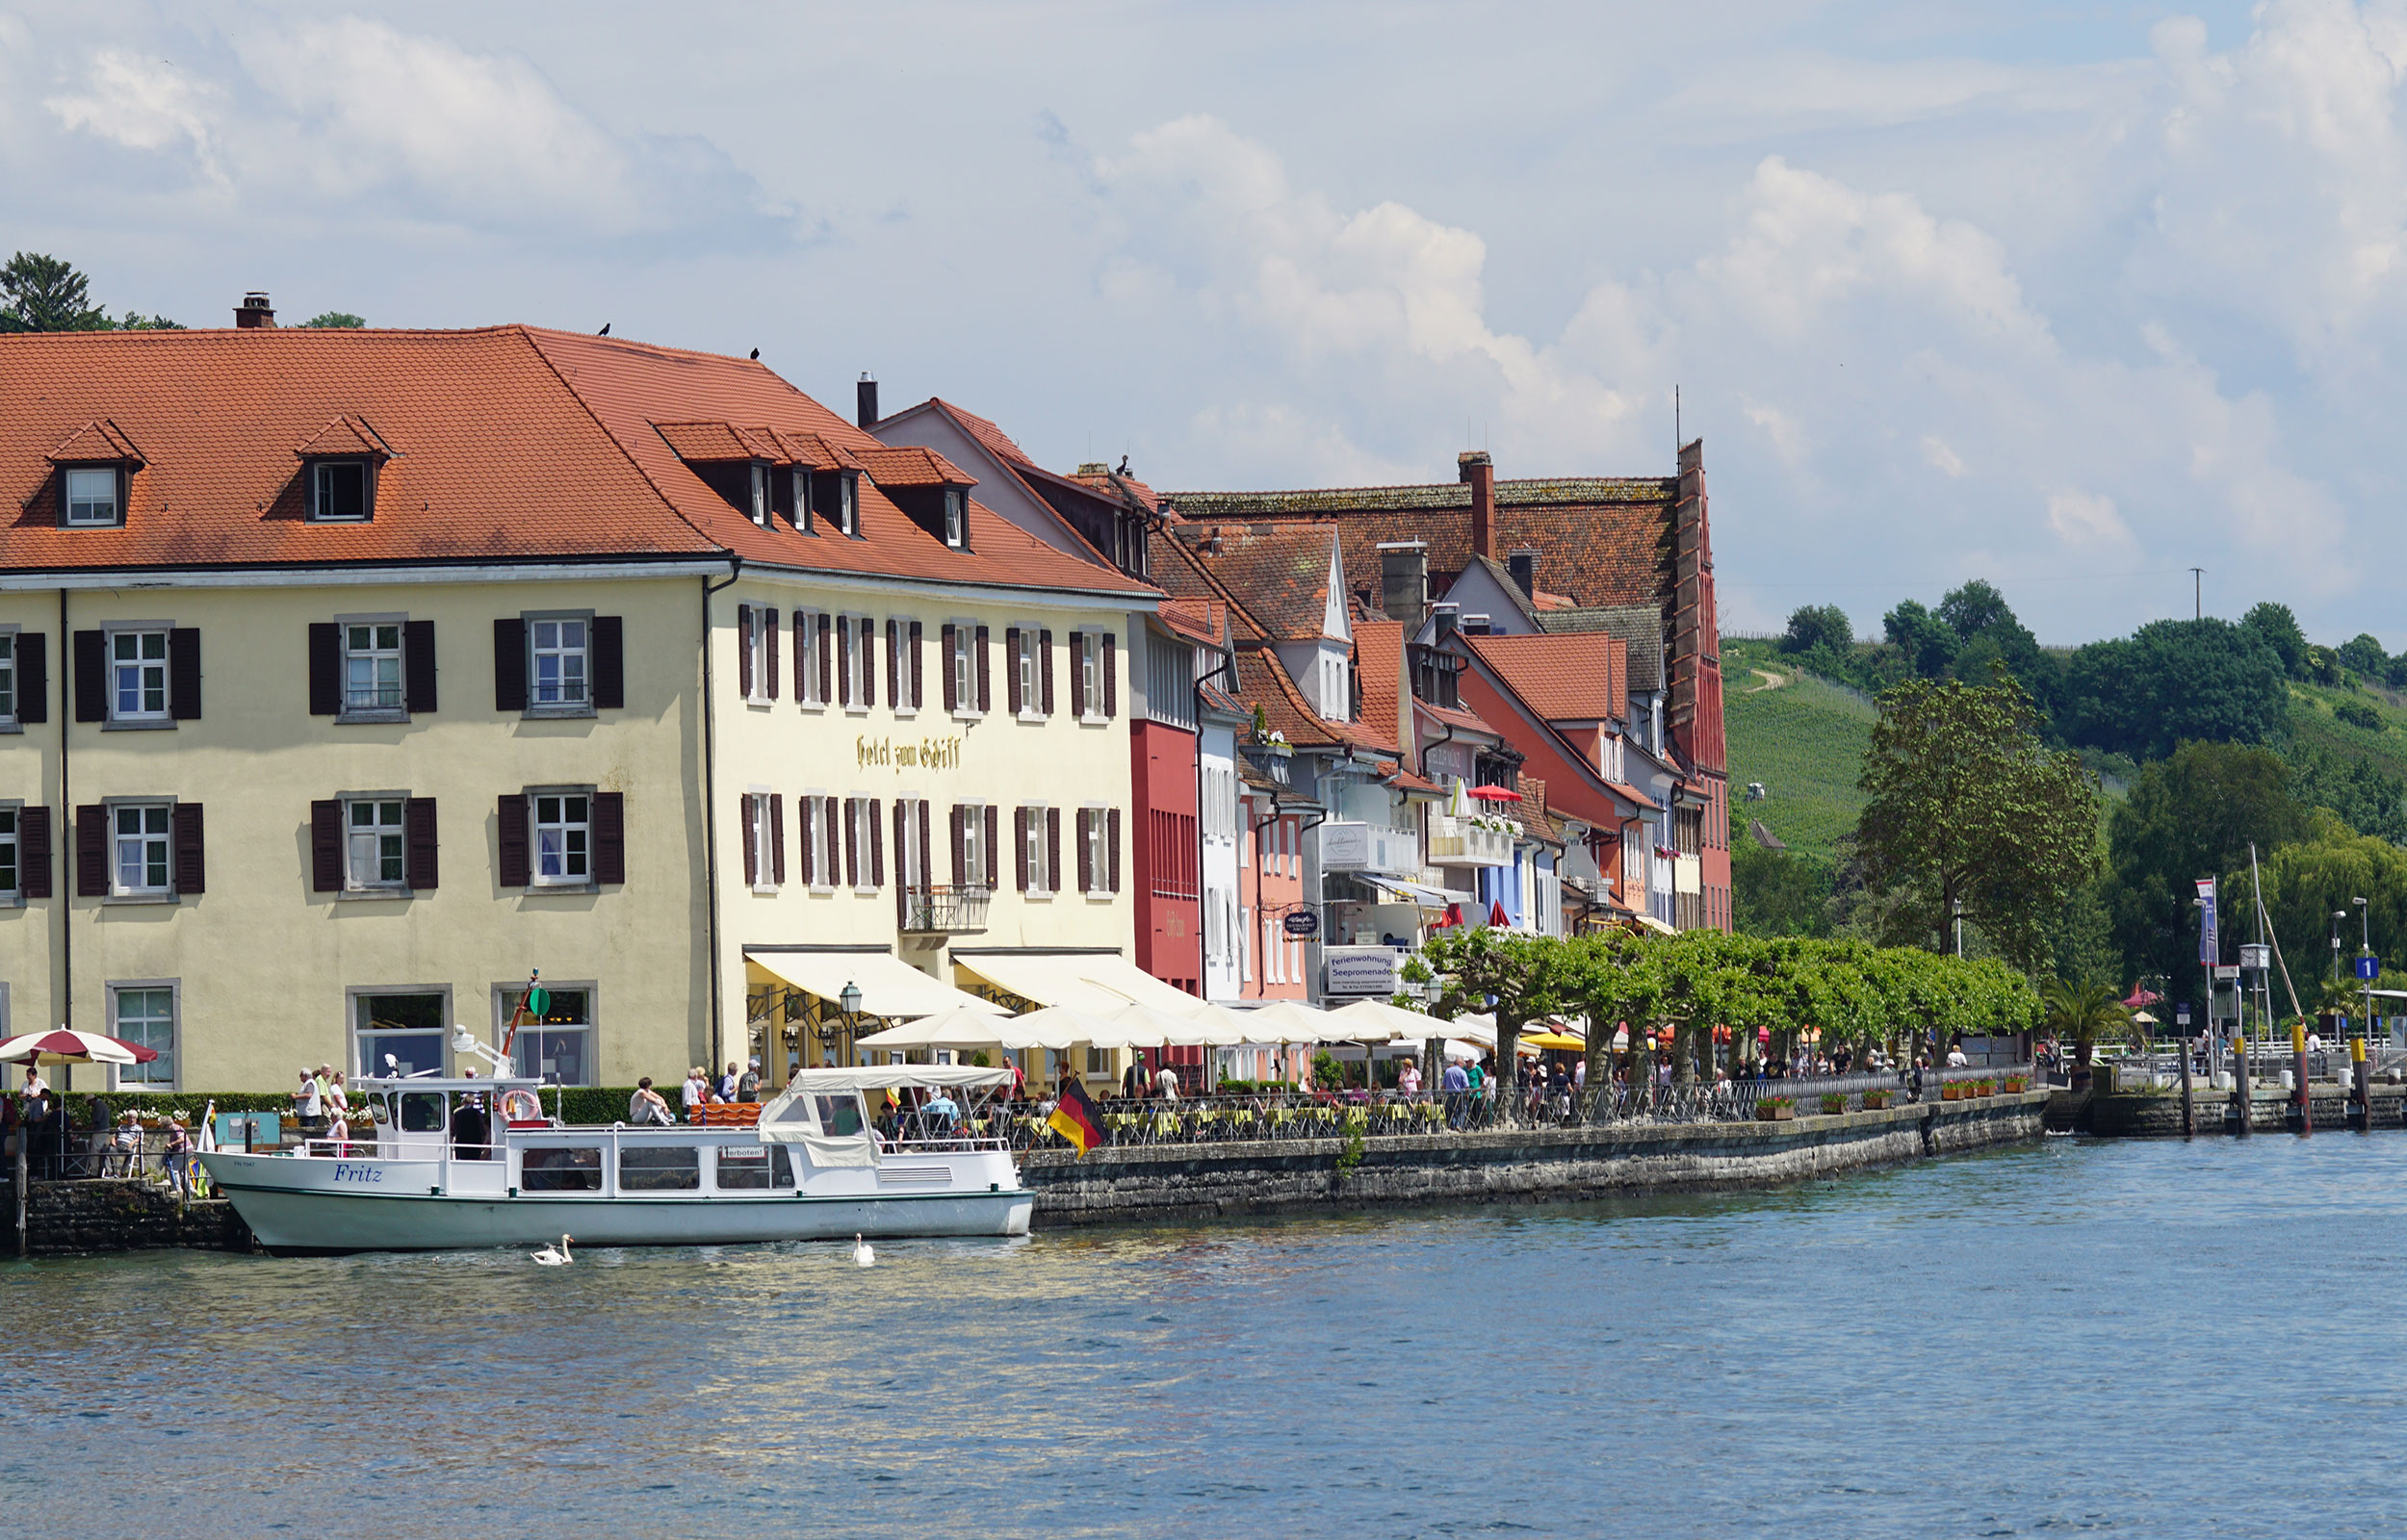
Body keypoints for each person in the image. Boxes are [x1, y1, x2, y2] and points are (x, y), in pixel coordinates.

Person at [295, 1066, 324, 1136]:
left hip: (310, 1113)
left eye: (301, 1075)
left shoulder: (310, 1083)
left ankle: (310, 1145)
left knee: (308, 1132)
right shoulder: (308, 1083)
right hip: (308, 1112)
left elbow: (309, 1094)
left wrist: (296, 1096)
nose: (299, 1077)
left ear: (306, 1076)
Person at [1441, 1058, 1469, 1127]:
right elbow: (1466, 1085)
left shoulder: (1447, 1071)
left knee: (1451, 1110)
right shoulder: (1462, 1072)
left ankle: (1452, 1125)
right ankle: (1459, 1125)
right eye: (1463, 1064)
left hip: (1449, 1094)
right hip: (1459, 1094)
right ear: (1460, 1063)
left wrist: (1443, 1094)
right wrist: (1467, 1094)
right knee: (1461, 1109)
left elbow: (1443, 1085)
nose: (1463, 1065)